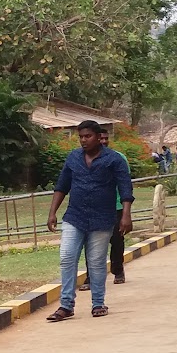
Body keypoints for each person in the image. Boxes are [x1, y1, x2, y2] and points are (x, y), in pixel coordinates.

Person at [46, 119, 133, 321]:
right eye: (81, 137)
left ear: (98, 138)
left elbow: (125, 187)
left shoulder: (114, 160)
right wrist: (52, 212)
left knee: (96, 262)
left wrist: (126, 215)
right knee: (67, 257)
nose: (84, 140)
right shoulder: (73, 158)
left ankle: (98, 303)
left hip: (102, 218)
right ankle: (66, 305)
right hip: (74, 216)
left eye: (88, 136)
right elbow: (62, 186)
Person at [78, 127, 128, 291]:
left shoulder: (118, 158)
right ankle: (90, 277)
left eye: (106, 139)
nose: (104, 142)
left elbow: (125, 186)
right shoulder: (83, 159)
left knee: (116, 240)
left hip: (116, 207)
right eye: (102, 139)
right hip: (93, 209)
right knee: (91, 243)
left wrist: (126, 213)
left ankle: (118, 271)